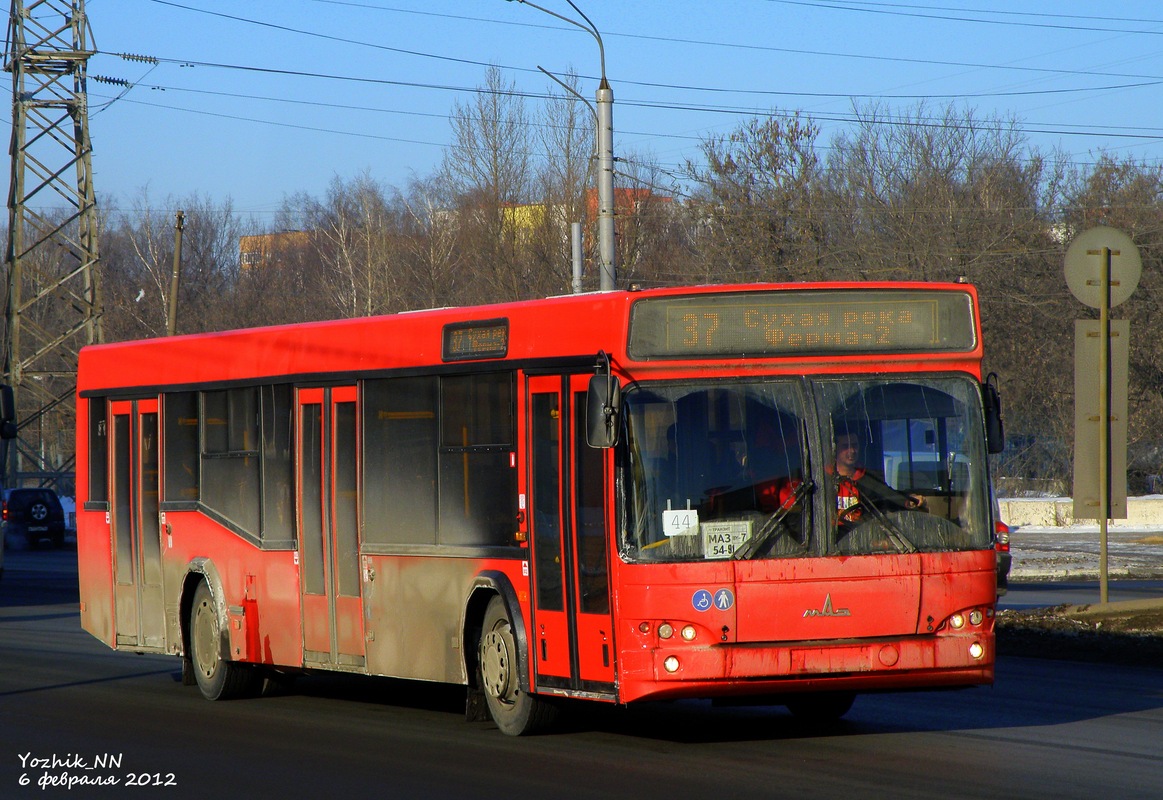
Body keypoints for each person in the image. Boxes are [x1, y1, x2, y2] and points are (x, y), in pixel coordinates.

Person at [828, 430, 924, 527]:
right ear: (835, 449)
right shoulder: (824, 480)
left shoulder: (868, 478)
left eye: (855, 445)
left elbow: (888, 496)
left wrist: (907, 500)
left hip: (861, 535)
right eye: (846, 446)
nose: (852, 450)